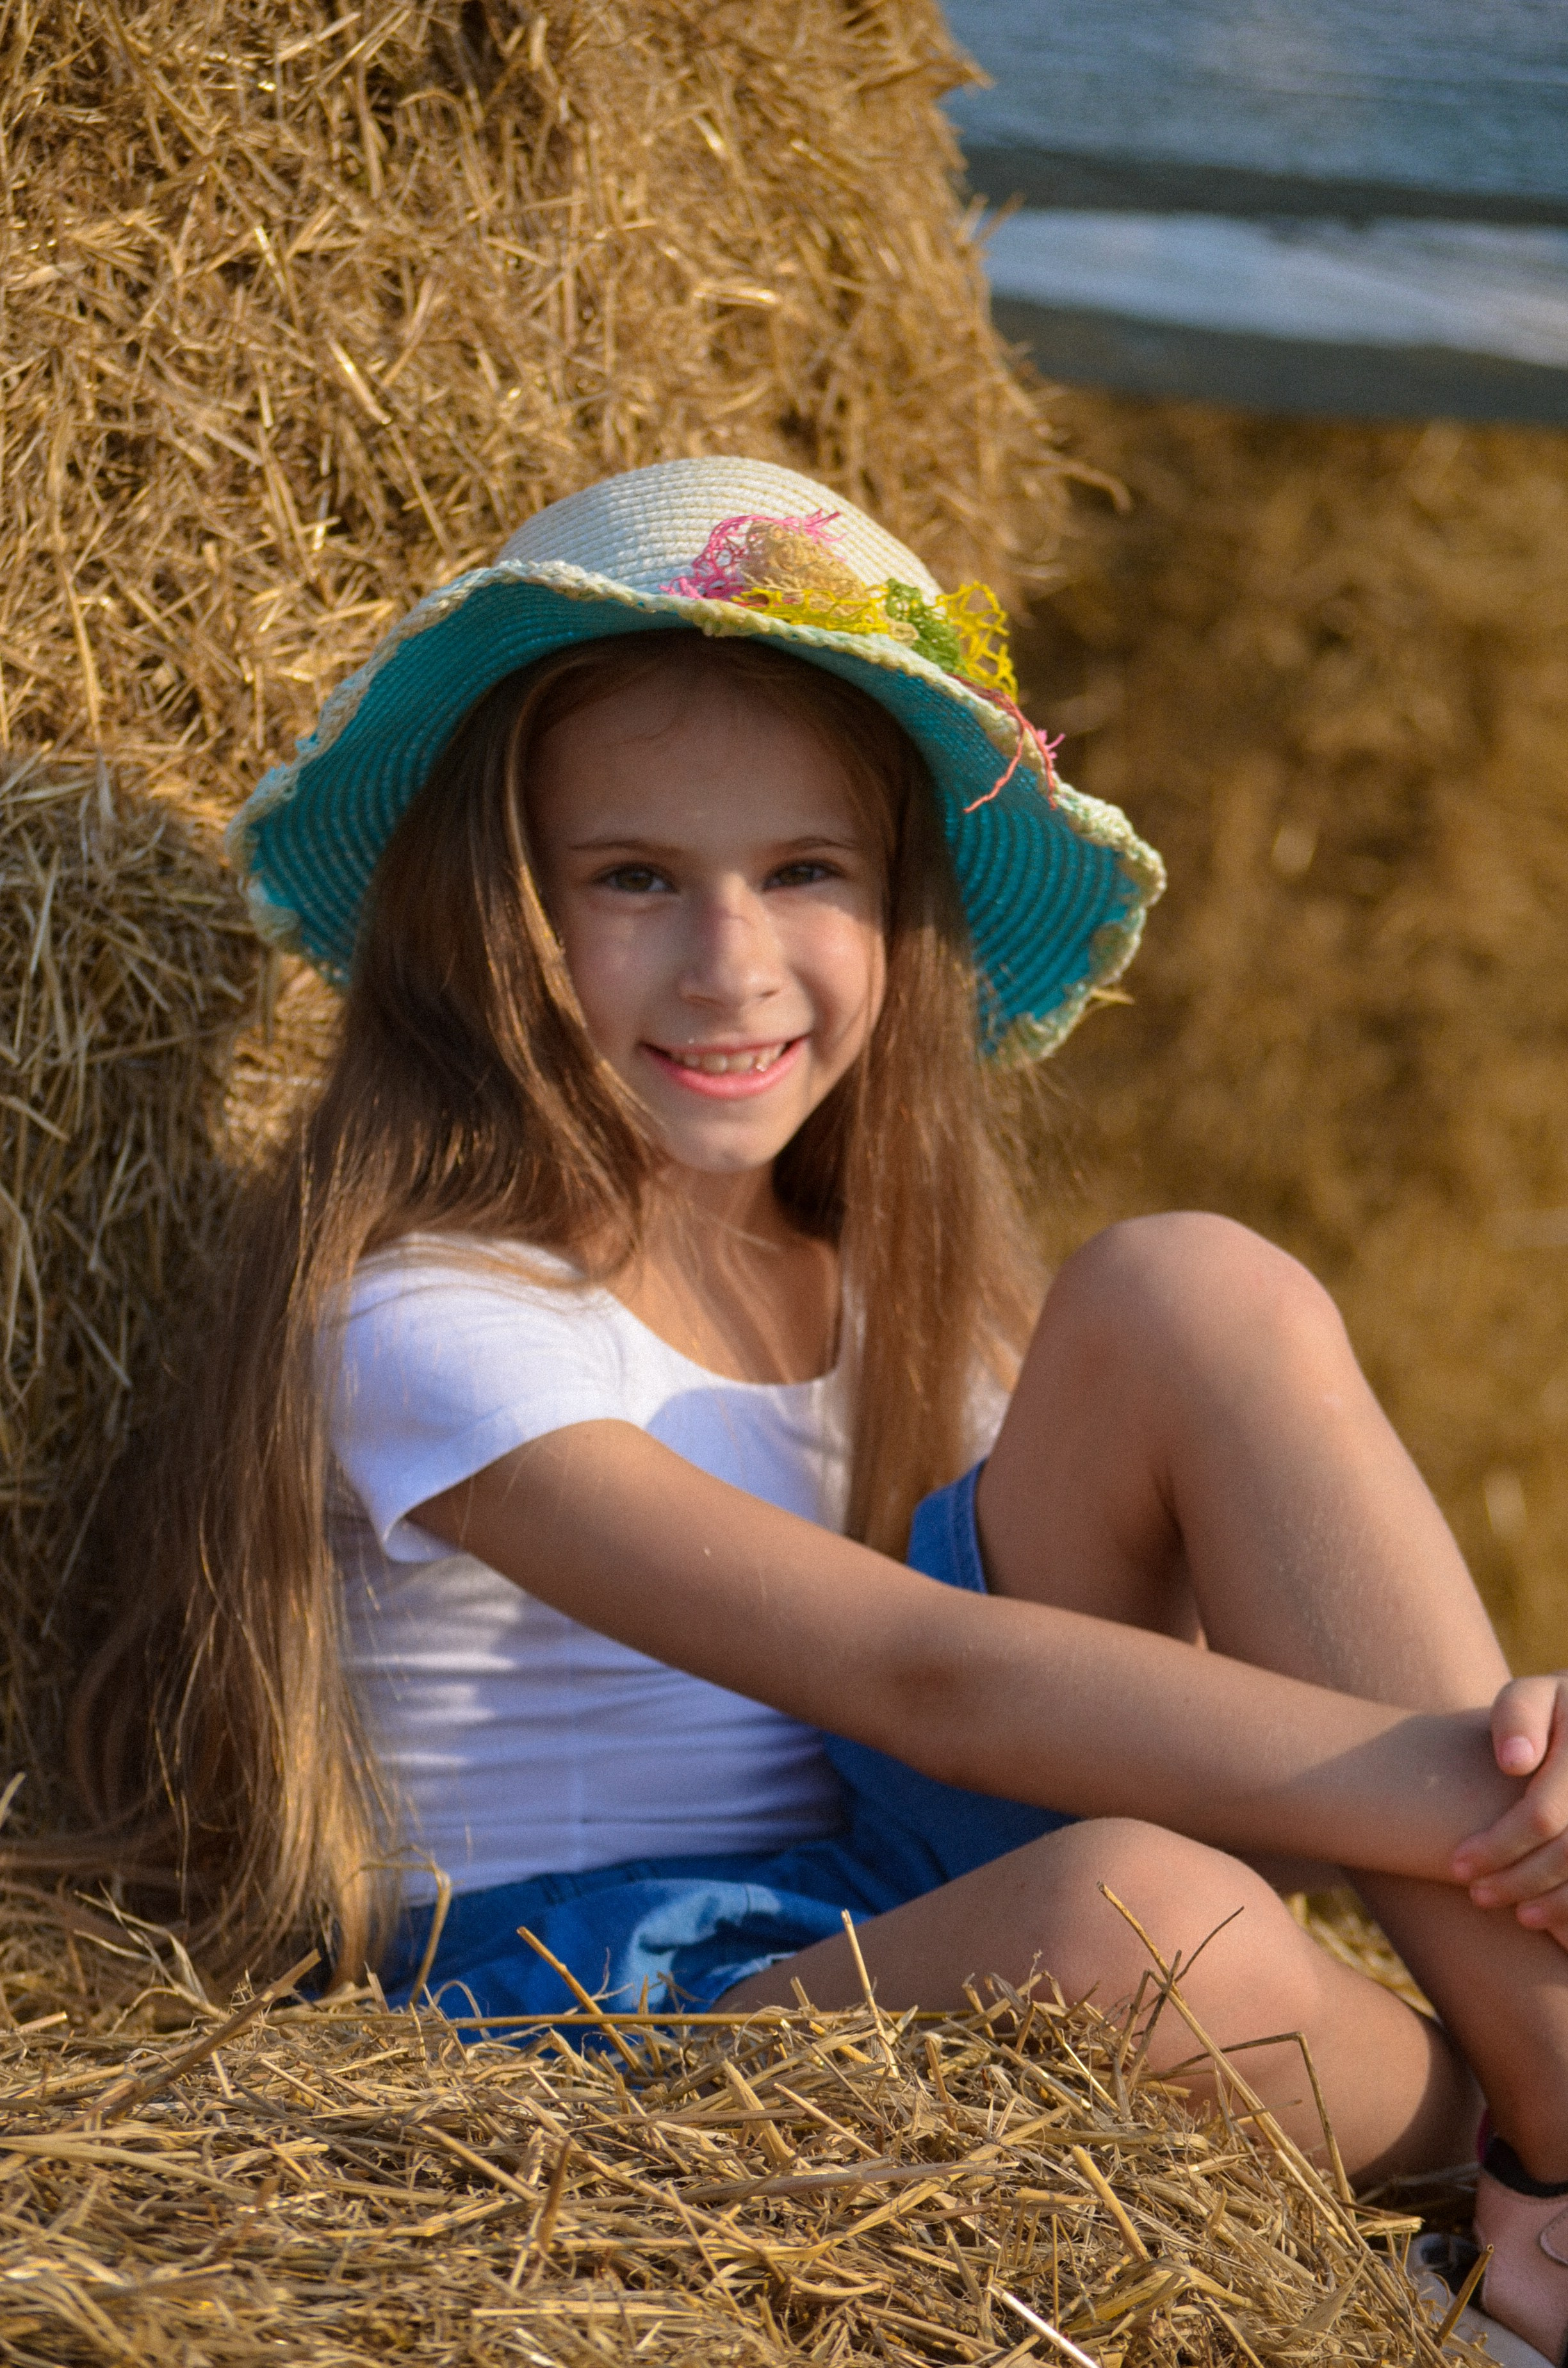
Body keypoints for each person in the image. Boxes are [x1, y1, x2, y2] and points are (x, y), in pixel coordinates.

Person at [65, 459, 1568, 2362]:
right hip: (601, 1999)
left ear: (901, 916)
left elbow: (1122, 1724)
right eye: (634, 881)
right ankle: (1518, 2139)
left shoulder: (913, 1309)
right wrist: (1471, 1792)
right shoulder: (433, 1314)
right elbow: (924, 1679)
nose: (733, 962)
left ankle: (1554, 2131)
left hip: (900, 1873)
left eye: (805, 874)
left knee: (1196, 1284)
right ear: (491, 918)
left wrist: (1501, 1789)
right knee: (1134, 1915)